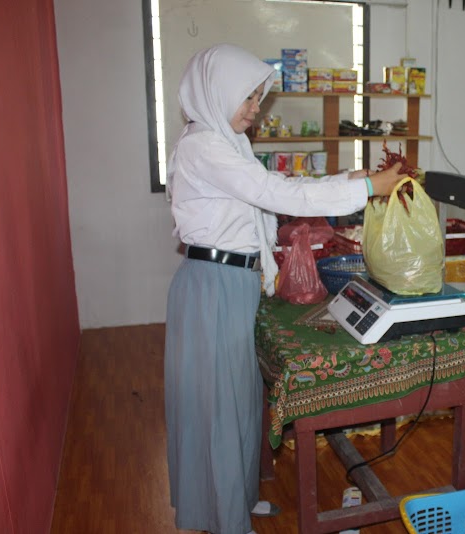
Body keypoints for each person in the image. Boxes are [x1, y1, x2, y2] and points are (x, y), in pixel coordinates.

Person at [164, 43, 406, 534]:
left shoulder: (230, 142)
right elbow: (274, 194)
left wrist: (349, 177)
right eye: (249, 98)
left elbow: (269, 191)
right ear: (217, 93)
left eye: (259, 97)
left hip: (233, 281)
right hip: (212, 285)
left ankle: (237, 497)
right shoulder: (202, 146)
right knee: (216, 405)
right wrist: (362, 190)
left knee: (240, 399)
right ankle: (222, 515)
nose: (256, 109)